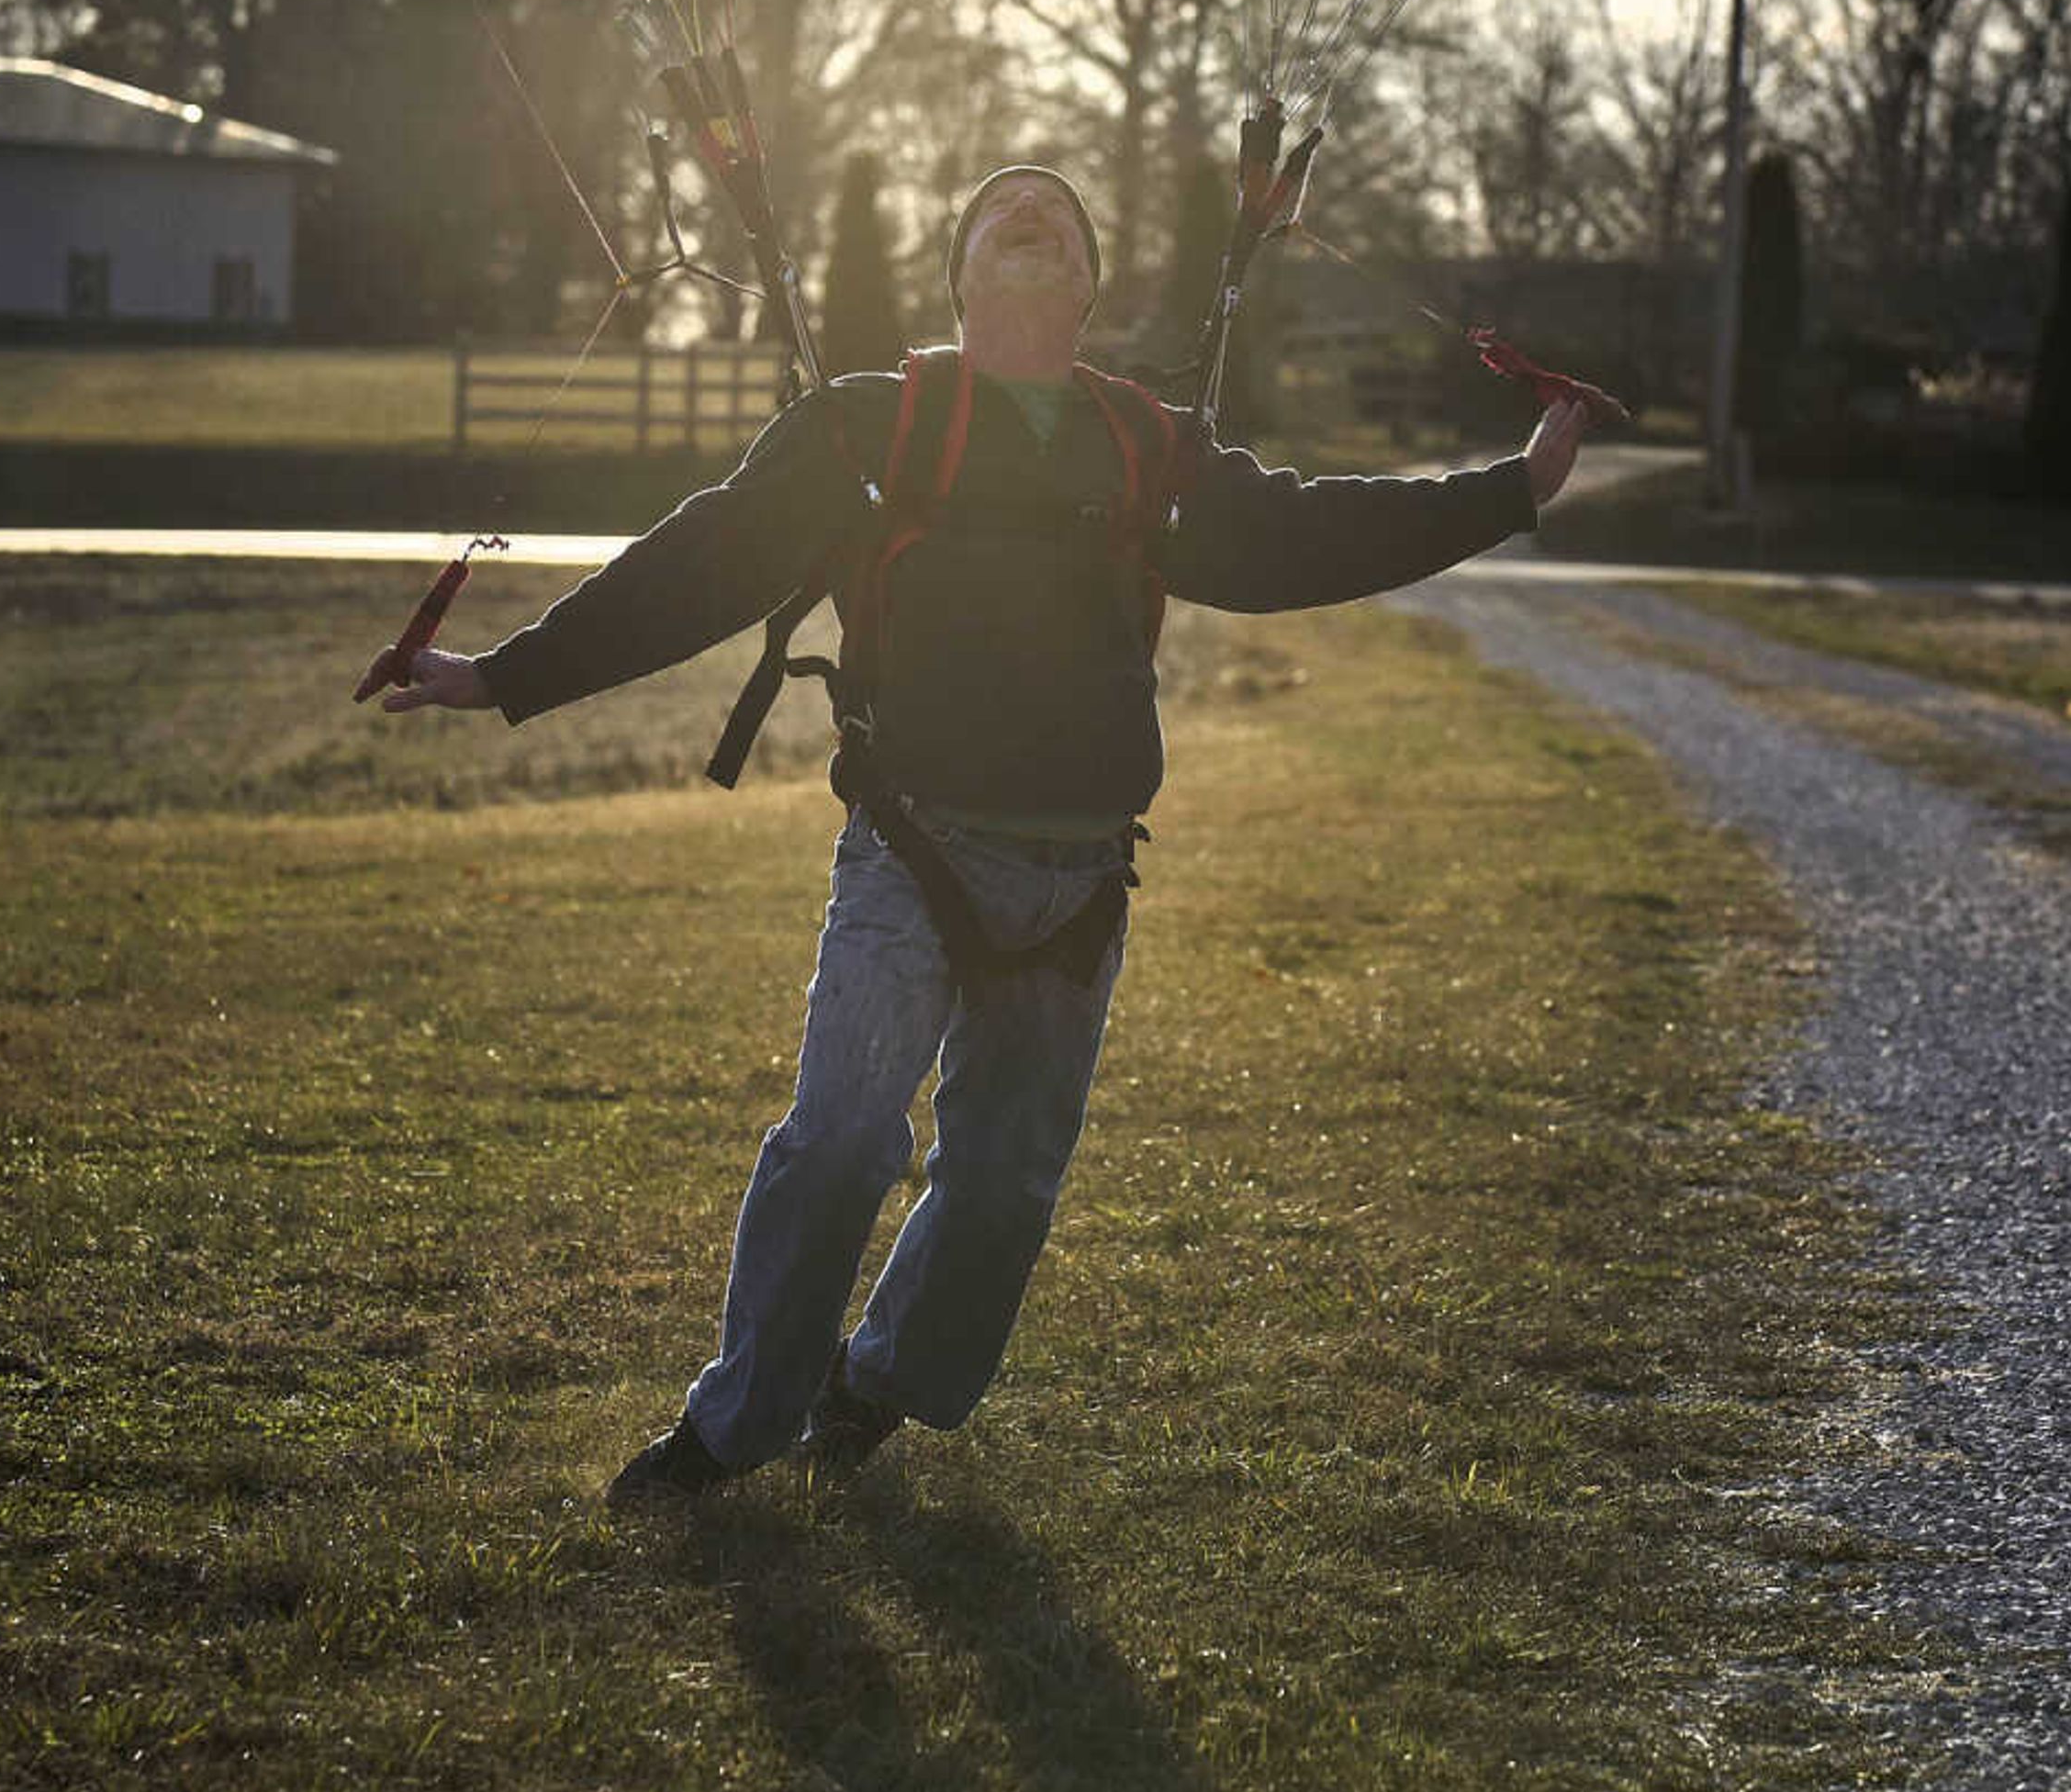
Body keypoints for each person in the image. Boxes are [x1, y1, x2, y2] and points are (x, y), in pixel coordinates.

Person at [375, 163, 1587, 1505]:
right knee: (839, 1142)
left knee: (1005, 1187)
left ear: (1085, 286)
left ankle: (879, 1382)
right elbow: (699, 565)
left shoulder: (1143, 444)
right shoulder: (871, 425)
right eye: (1002, 213)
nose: (1032, 216)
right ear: (957, 277)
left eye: (1060, 218)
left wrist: (1514, 487)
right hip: (909, 848)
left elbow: (1307, 533)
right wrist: (506, 676)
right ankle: (734, 1426)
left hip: (1077, 879)